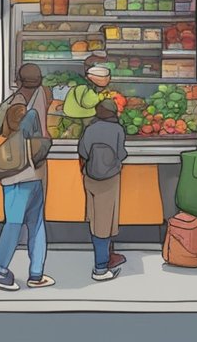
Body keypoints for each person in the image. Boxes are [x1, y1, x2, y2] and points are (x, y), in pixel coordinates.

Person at [0, 103, 55, 291]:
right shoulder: (34, 143)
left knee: (13, 226)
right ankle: (36, 274)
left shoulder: (8, 146)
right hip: (34, 182)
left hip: (15, 187)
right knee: (37, 227)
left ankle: (1, 272)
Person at [79, 99, 127, 280]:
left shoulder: (90, 129)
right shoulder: (117, 130)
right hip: (109, 180)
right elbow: (121, 154)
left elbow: (83, 151)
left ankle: (107, 257)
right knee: (104, 223)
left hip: (90, 178)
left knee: (95, 220)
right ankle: (100, 268)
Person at [0, 63, 51, 139]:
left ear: (19, 81)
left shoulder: (9, 103)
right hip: (26, 143)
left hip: (19, 143)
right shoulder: (45, 92)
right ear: (40, 80)